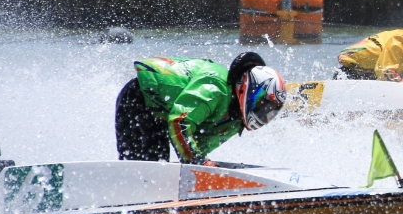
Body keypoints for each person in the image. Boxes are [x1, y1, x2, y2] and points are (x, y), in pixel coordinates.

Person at [115, 52, 286, 164]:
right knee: (148, 169)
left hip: (162, 114)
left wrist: (200, 164)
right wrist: (197, 161)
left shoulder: (235, 121)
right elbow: (180, 121)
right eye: (262, 104)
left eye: (270, 111)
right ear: (247, 87)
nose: (265, 113)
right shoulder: (216, 87)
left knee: (159, 167)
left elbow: (197, 146)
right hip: (139, 98)